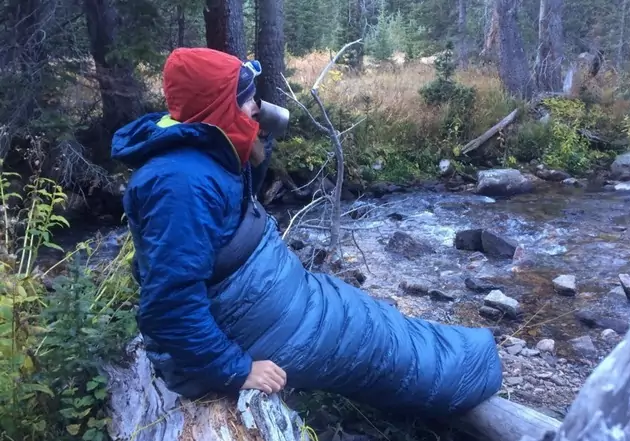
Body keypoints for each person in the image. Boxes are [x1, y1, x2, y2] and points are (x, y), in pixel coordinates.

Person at [111, 47, 503, 417]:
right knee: (369, 345)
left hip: (260, 302)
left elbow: (240, 207)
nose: (255, 107)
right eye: (247, 99)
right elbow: (169, 307)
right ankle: (470, 373)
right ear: (217, 107)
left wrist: (255, 135)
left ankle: (461, 356)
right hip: (231, 335)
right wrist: (235, 370)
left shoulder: (202, 144)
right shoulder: (180, 185)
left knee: (367, 315)